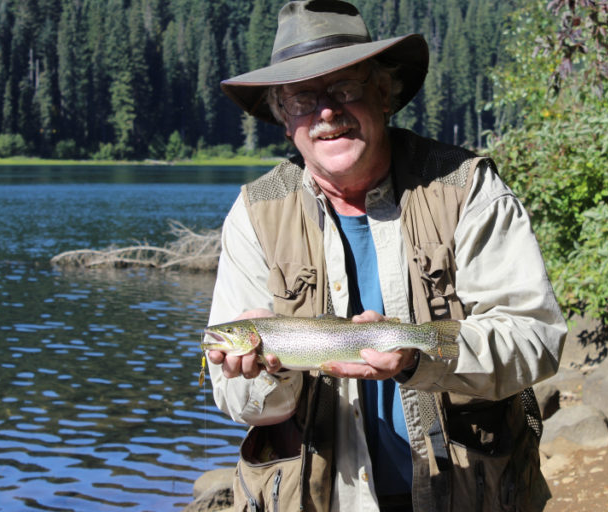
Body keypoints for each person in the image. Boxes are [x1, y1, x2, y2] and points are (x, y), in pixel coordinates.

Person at [205, 1, 567, 511]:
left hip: (465, 491)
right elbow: (242, 405)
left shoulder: (464, 187)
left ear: (383, 94)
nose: (326, 112)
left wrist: (418, 355)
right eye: (303, 99)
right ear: (284, 119)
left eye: (345, 89)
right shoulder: (255, 213)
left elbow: (537, 338)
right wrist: (266, 372)